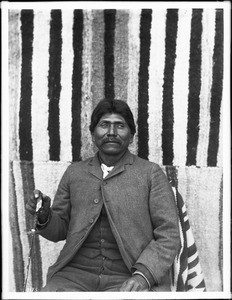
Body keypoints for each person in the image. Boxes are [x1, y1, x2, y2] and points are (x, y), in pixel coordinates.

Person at [26, 99, 181, 292]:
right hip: (74, 275)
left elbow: (169, 234)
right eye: (104, 125)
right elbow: (59, 231)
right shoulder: (75, 173)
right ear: (93, 134)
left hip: (129, 275)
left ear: (132, 136)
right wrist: (44, 216)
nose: (111, 133)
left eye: (120, 126)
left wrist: (143, 276)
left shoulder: (151, 174)